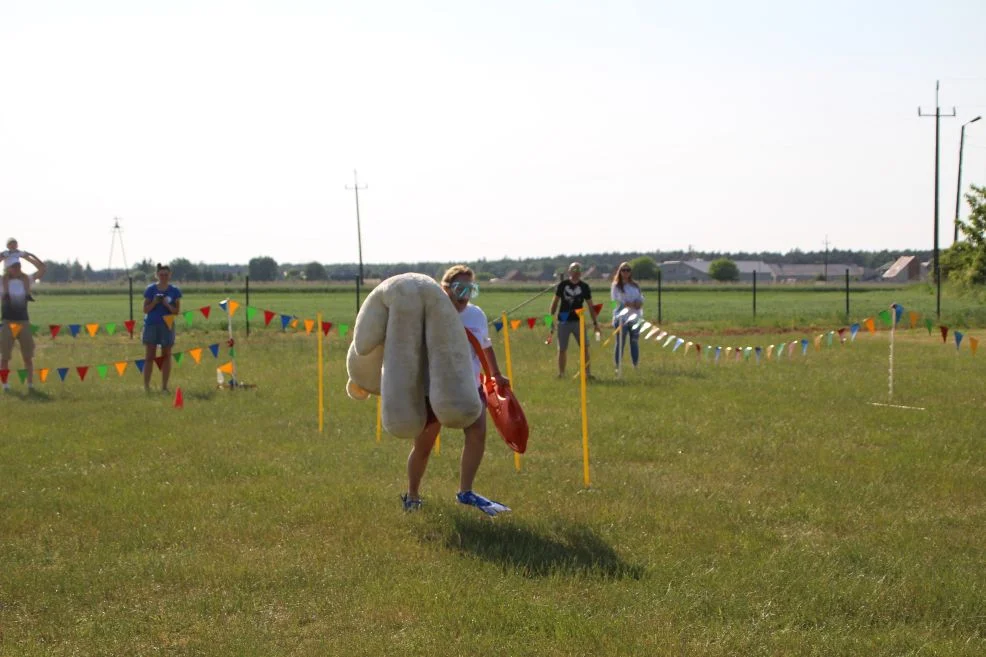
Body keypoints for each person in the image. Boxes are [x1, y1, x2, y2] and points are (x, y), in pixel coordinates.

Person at [402, 265, 511, 516]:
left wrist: (495, 374)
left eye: (471, 289)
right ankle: (412, 496)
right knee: (424, 446)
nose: (465, 295)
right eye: (460, 288)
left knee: (477, 435)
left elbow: (485, 345)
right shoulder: (432, 314)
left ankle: (466, 492)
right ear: (446, 289)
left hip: (471, 387)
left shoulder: (476, 314)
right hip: (435, 390)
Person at [548, 262, 601, 378]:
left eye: (578, 270)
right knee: (562, 349)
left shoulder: (584, 287)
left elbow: (591, 306)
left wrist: (595, 323)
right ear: (569, 271)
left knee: (585, 348)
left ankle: (587, 373)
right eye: (573, 269)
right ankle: (561, 374)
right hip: (563, 320)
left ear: (581, 272)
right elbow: (555, 303)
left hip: (579, 321)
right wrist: (550, 320)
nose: (576, 272)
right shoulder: (562, 285)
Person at [0, 259, 41, 391]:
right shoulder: (2, 281)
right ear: (7, 268)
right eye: (13, 266)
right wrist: (3, 256)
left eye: (18, 266)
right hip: (7, 322)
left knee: (28, 356)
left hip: (24, 322)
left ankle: (30, 384)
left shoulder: (26, 280)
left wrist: (27, 256)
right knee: (5, 357)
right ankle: (5, 385)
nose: (16, 268)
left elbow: (42, 269)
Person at [142, 264, 182, 392]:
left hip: (167, 325)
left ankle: (164, 386)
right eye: (161, 274)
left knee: (166, 356)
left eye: (166, 274)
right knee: (149, 356)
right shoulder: (150, 289)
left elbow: (176, 311)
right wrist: (154, 302)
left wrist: (166, 304)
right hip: (152, 324)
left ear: (170, 275)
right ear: (157, 275)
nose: (163, 277)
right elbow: (145, 309)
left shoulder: (174, 291)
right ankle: (146, 387)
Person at [611, 261, 644, 370]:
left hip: (636, 317)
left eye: (628, 270)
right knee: (620, 342)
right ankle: (617, 367)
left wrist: (637, 303)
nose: (626, 272)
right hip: (621, 318)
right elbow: (617, 301)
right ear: (619, 272)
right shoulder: (616, 286)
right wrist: (629, 304)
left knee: (634, 341)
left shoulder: (635, 285)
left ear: (630, 272)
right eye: (623, 270)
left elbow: (640, 299)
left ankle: (635, 365)